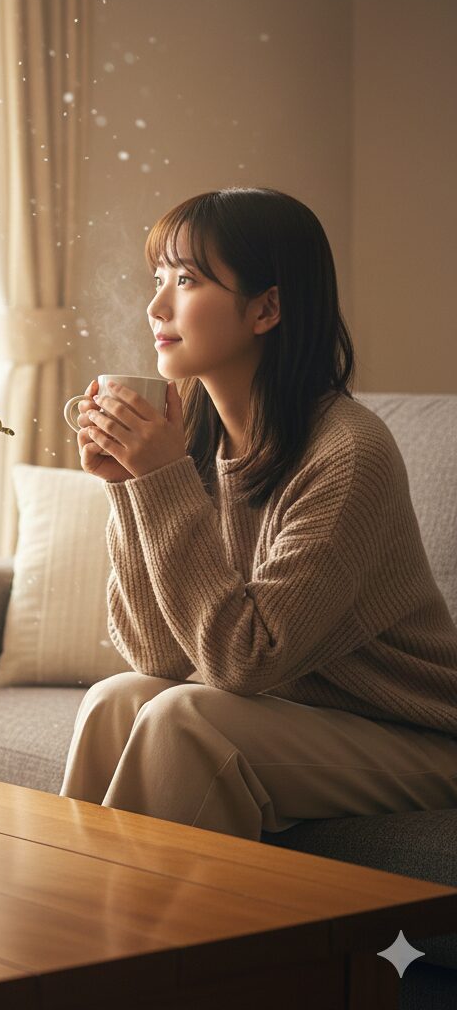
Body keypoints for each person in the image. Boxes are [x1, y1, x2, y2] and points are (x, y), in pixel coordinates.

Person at [59, 186, 457, 841]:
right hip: (290, 710)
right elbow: (156, 654)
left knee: (185, 721)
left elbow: (243, 662)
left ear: (267, 307)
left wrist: (160, 481)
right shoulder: (193, 433)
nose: (156, 305)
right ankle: (77, 932)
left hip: (415, 733)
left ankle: (157, 943)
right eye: (159, 279)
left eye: (186, 280)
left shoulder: (348, 453)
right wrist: (129, 489)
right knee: (117, 699)